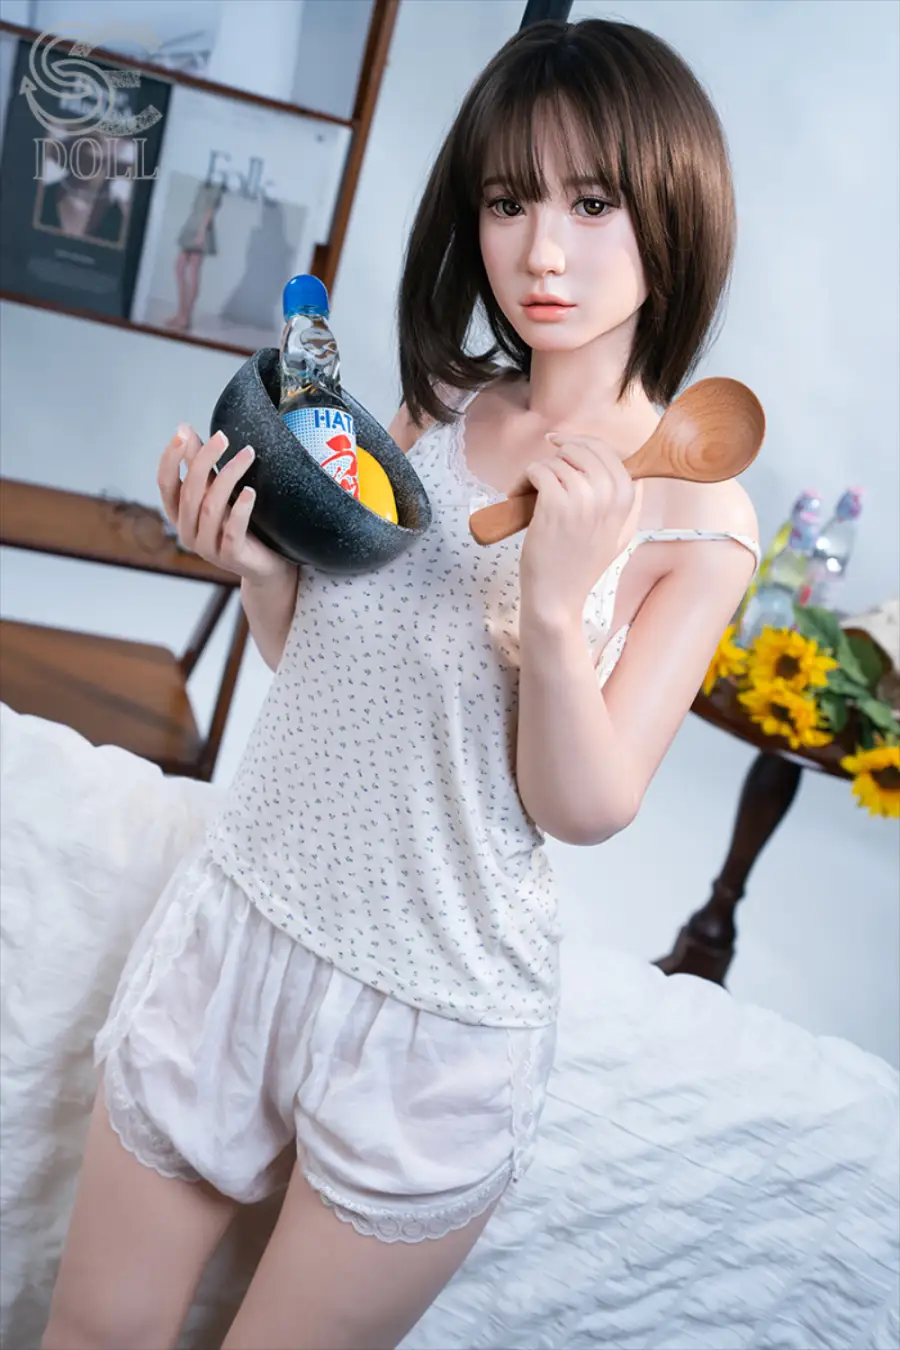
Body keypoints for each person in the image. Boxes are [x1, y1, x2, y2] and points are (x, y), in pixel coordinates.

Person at [42, 17, 760, 1350]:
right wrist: (258, 567)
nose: (542, 252)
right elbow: (333, 672)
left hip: (435, 1014)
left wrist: (556, 612)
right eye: (509, 200)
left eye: (592, 203)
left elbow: (582, 805)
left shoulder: (697, 507)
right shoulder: (438, 407)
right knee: (90, 1332)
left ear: (672, 208)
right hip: (245, 924)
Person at [164, 178, 225, 332]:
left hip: (200, 229)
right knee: (181, 268)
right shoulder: (206, 180)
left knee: (192, 271)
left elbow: (210, 209)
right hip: (192, 225)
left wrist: (201, 233)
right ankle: (181, 314)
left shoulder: (216, 183)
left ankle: (185, 317)